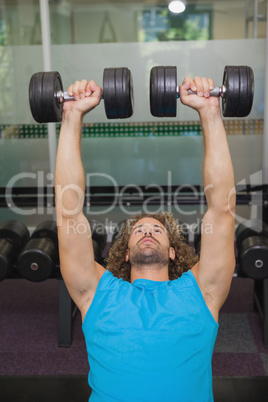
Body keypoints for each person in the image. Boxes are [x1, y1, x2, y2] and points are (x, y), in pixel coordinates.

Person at [55, 74, 236, 401]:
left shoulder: (202, 292)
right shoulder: (97, 293)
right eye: (138, 229)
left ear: (172, 252)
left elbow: (222, 210)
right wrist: (71, 114)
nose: (148, 231)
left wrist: (210, 111)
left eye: (157, 229)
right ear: (124, 253)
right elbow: (69, 214)